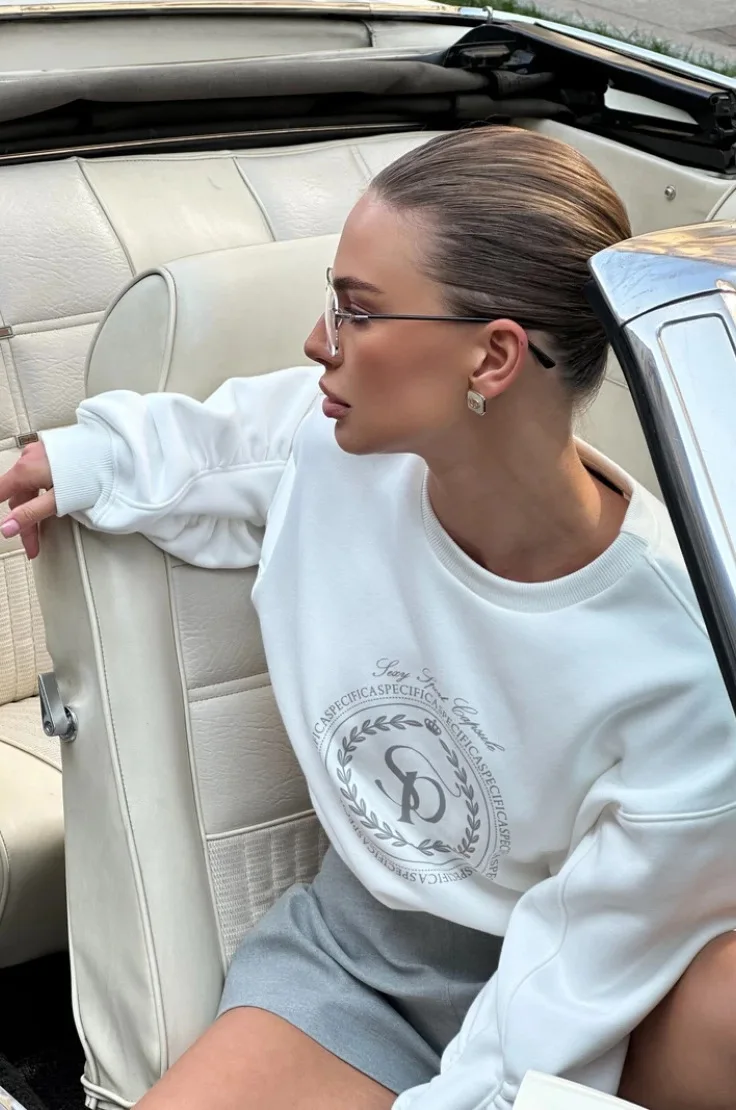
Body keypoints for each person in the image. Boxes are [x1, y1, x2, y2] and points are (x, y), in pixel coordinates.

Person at [2, 126, 736, 1110]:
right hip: (360, 966)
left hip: (597, 1005)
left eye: (356, 311)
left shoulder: (682, 675)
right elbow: (222, 443)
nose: (319, 342)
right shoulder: (341, 448)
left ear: (493, 357)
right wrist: (80, 461)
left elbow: (571, 991)